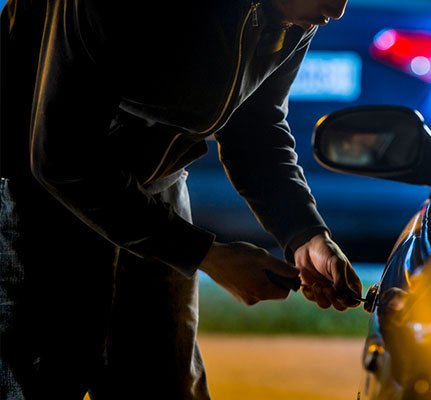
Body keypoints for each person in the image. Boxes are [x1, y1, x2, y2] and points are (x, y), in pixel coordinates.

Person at [0, 0, 362, 398]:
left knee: (165, 384)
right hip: (35, 198)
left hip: (157, 191)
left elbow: (256, 128)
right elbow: (62, 155)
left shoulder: (294, 15)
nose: (338, 9)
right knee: (38, 376)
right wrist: (207, 256)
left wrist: (305, 234)